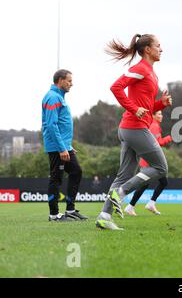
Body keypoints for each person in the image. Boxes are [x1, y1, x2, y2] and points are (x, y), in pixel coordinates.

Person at [95, 34, 172, 231]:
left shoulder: (152, 73)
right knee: (161, 168)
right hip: (134, 128)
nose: (161, 49)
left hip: (132, 128)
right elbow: (116, 87)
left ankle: (104, 216)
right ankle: (121, 194)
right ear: (147, 49)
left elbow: (145, 106)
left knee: (123, 175)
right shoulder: (140, 68)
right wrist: (132, 108)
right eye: (158, 45)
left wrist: (159, 104)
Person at [42, 69, 87, 221]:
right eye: (69, 80)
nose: (71, 84)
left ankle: (70, 210)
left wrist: (67, 145)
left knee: (76, 171)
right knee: (56, 178)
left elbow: (60, 125)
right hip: (57, 147)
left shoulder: (59, 97)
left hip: (63, 146)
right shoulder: (53, 97)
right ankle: (54, 215)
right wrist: (62, 147)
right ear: (60, 80)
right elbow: (51, 125)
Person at [124, 110, 172, 216]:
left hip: (148, 160)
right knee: (159, 183)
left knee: (146, 184)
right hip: (151, 161)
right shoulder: (154, 126)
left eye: (161, 114)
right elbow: (157, 143)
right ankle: (139, 204)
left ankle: (132, 206)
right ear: (153, 116)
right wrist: (169, 138)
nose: (161, 116)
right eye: (159, 114)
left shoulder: (154, 125)